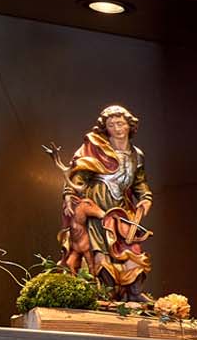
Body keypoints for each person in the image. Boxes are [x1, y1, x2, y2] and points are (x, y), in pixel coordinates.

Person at [56, 103, 153, 296]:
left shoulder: (137, 156)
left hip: (122, 211)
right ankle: (102, 292)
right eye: (111, 125)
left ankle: (132, 292)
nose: (117, 129)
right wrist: (69, 194)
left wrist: (145, 197)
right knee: (100, 250)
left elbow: (139, 183)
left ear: (129, 125)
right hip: (98, 207)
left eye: (121, 123)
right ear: (105, 128)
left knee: (130, 249)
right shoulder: (96, 149)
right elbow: (78, 176)